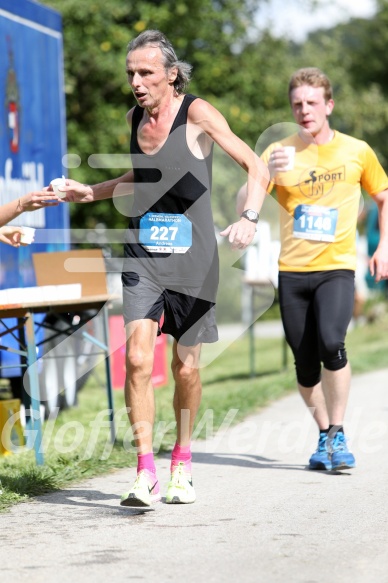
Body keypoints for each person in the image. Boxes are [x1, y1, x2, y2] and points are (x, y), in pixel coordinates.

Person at [53, 29, 269, 506]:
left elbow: (257, 166)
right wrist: (92, 191)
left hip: (194, 260)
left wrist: (249, 218)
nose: (136, 81)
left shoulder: (197, 113)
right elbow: (142, 175)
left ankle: (182, 465)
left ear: (172, 75)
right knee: (135, 359)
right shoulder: (134, 118)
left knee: (185, 368)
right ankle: (144, 471)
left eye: (146, 72)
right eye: (131, 73)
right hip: (144, 255)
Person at [238, 67, 388, 471]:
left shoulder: (357, 151)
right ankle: (324, 434)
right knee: (304, 364)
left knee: (331, 342)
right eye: (297, 104)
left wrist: (384, 246)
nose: (304, 111)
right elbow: (244, 204)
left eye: (312, 103)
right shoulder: (279, 152)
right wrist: (264, 171)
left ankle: (338, 433)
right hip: (292, 271)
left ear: (329, 105)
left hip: (336, 267)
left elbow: (384, 196)